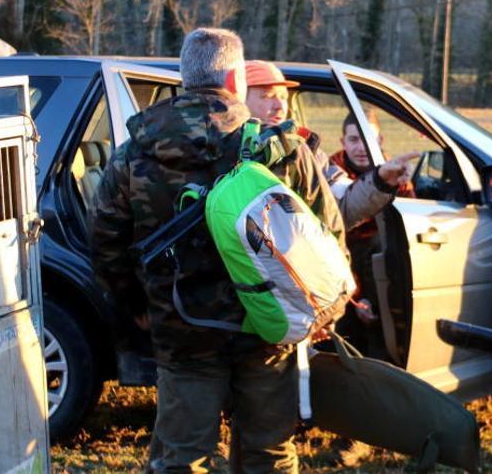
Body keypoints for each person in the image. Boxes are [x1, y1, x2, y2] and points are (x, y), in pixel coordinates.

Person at [91, 28, 344, 473]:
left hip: (181, 327)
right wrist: (322, 311)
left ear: (185, 79)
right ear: (233, 81)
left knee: (183, 458)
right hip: (270, 324)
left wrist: (136, 306)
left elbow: (105, 239)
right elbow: (328, 237)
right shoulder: (283, 148)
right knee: (269, 453)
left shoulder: (135, 152)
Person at [243, 59, 416, 231]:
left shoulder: (308, 149)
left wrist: (382, 180)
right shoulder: (227, 151)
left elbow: (343, 205)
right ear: (241, 101)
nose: (280, 106)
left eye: (283, 97)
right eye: (267, 96)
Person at [330, 109, 415, 356]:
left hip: (383, 267)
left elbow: (404, 228)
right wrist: (358, 298)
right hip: (345, 262)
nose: (361, 147)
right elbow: (333, 240)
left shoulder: (395, 171)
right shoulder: (332, 171)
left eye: (367, 139)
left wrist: (404, 186)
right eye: (353, 140)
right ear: (342, 142)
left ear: (380, 141)